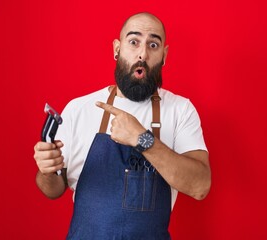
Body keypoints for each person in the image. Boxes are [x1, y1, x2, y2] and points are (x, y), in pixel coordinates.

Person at [34, 12, 211, 239]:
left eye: (153, 45)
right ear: (117, 49)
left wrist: (143, 139)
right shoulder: (79, 109)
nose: (142, 54)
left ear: (164, 55)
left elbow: (200, 186)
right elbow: (53, 190)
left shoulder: (181, 110)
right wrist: (47, 170)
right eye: (134, 42)